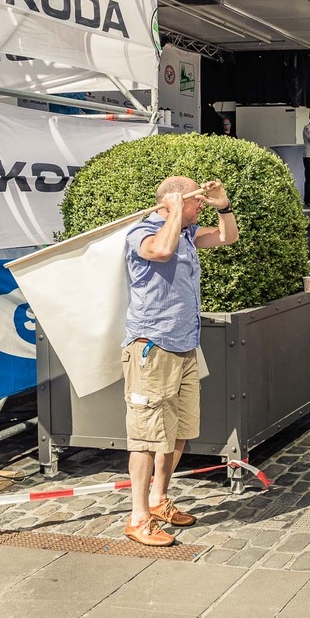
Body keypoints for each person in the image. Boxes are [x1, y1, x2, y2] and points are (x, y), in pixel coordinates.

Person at [121, 176, 239, 547]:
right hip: (151, 348)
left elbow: (227, 237)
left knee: (180, 431)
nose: (200, 205)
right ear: (172, 201)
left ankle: (158, 500)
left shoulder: (186, 233)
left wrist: (223, 206)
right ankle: (138, 517)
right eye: (196, 200)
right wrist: (172, 210)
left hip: (185, 347)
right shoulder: (141, 232)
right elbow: (161, 252)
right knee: (144, 437)